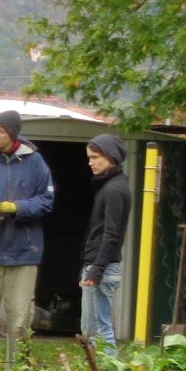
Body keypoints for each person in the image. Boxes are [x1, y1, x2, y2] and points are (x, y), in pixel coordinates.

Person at [0, 109, 55, 362]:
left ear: (13, 134)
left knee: (20, 319)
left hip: (24, 252)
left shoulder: (35, 162)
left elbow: (47, 201)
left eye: (0, 130)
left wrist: (18, 208)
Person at [81, 133, 131, 348]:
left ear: (110, 156)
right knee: (92, 332)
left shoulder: (114, 189)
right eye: (89, 158)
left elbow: (111, 234)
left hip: (103, 268)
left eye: (95, 157)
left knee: (99, 332)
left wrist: (95, 270)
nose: (90, 163)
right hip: (99, 266)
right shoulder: (111, 185)